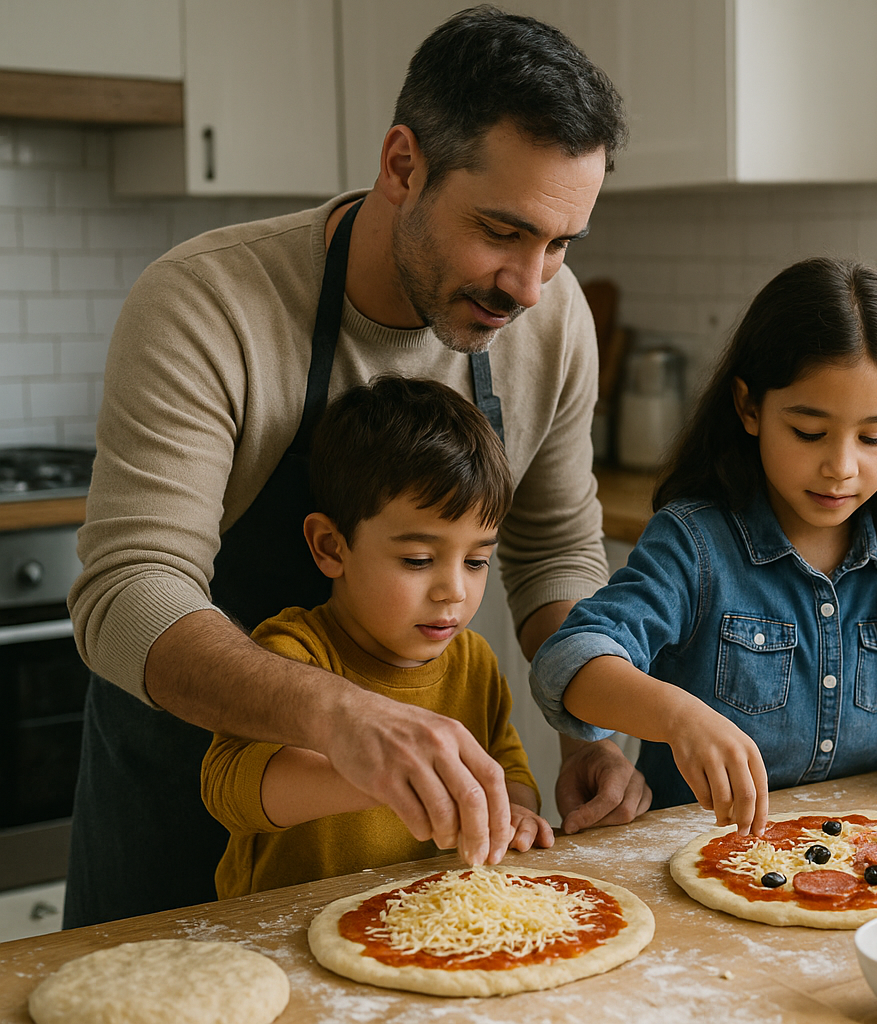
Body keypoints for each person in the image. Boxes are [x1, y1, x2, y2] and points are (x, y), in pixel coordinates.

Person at [65, 8, 648, 927]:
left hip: (404, 877)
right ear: (402, 165)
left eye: (560, 243)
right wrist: (340, 716)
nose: (530, 287)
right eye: (502, 231)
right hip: (189, 816)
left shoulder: (553, 317)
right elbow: (129, 593)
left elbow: (558, 555)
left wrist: (593, 728)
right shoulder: (208, 302)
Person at [530, 258, 877, 834]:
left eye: (874, 436)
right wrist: (680, 717)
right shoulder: (695, 546)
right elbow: (568, 662)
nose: (841, 467)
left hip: (863, 858)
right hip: (697, 853)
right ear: (750, 407)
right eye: (809, 432)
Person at [203, 377, 555, 898]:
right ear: (331, 547)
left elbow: (505, 765)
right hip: (288, 935)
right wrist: (377, 771)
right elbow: (228, 788)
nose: (453, 591)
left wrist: (518, 811)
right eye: (418, 560)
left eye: (477, 560)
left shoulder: (473, 662)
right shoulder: (292, 652)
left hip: (426, 923)